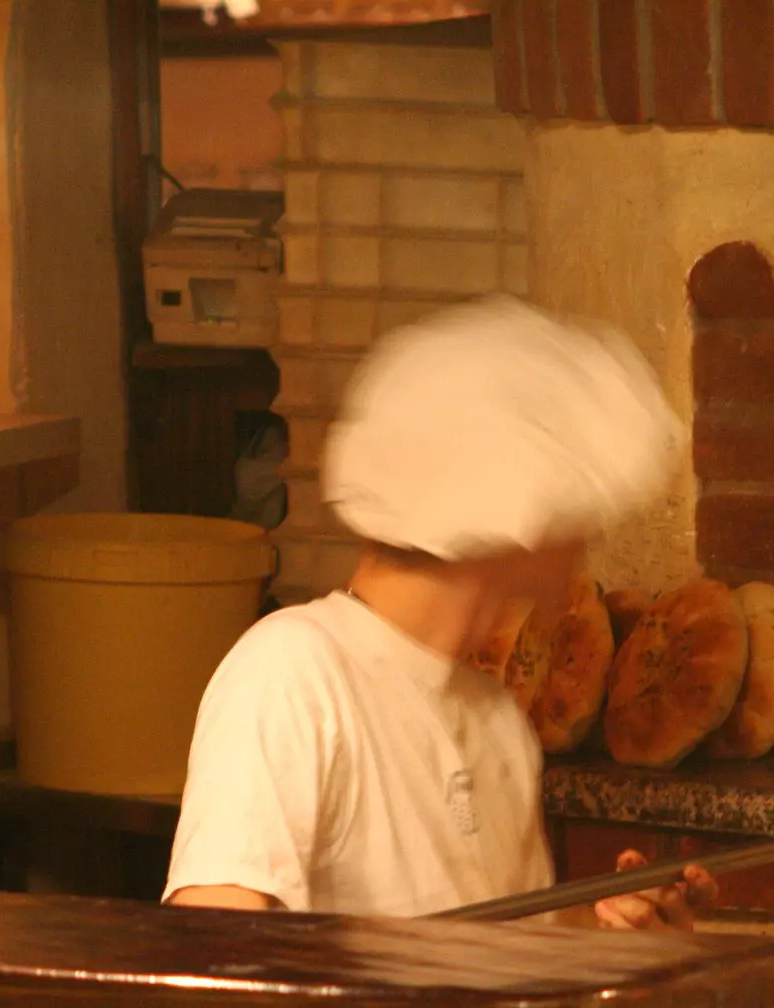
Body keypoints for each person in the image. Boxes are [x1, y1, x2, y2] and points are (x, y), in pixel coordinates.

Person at [162, 296, 715, 930]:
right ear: (513, 513)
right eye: (569, 506)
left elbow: (498, 968)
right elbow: (215, 954)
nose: (581, 539)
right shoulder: (293, 672)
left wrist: (612, 937)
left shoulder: (496, 720)